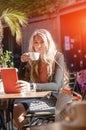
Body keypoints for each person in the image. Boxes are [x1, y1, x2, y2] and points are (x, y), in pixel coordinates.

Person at [13, 29, 69, 130]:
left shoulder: (58, 57)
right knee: (16, 108)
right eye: (36, 42)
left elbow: (56, 85)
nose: (38, 45)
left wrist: (31, 86)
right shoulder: (34, 60)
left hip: (54, 100)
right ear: (33, 45)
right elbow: (21, 80)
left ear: (48, 43)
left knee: (21, 109)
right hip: (38, 99)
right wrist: (22, 63)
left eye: (42, 42)